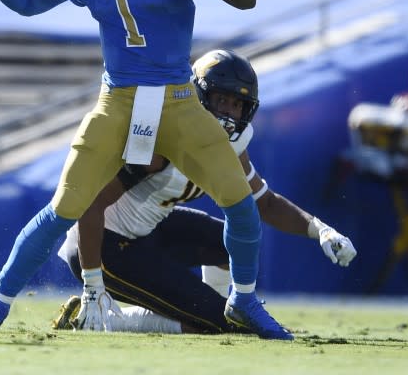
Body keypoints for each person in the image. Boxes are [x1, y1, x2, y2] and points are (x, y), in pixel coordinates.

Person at [0, 0, 291, 339]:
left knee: (239, 203)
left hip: (178, 99)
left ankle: (242, 301)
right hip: (118, 100)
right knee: (64, 208)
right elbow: (29, 1)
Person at [51, 49, 357, 334]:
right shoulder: (162, 137)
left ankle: (215, 308)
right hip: (103, 244)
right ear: (198, 95)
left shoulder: (230, 147)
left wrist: (321, 230)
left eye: (237, 104)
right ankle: (109, 320)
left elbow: (266, 204)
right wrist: (93, 283)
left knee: (234, 246)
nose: (228, 112)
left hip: (147, 231)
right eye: (221, 99)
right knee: (221, 325)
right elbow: (91, 203)